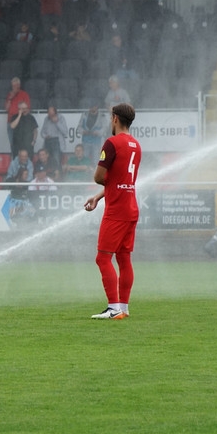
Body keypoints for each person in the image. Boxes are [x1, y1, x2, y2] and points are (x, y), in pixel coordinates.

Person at [84, 104, 143, 320]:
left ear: (115, 119)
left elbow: (99, 177)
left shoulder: (111, 143)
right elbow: (122, 180)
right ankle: (124, 308)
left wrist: (100, 190)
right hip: (131, 208)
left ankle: (113, 308)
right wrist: (99, 197)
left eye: (111, 118)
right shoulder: (136, 145)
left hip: (116, 210)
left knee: (102, 258)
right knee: (124, 257)